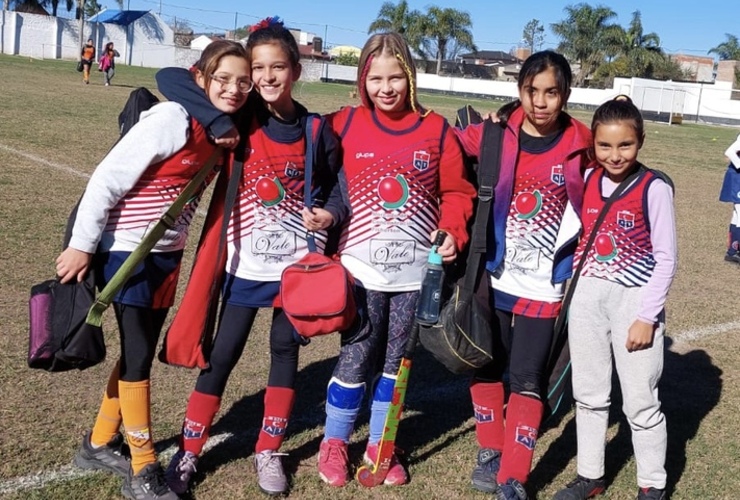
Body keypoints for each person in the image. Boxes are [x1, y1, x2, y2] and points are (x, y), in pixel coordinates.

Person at [153, 18, 347, 496]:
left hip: (294, 277)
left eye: (276, 66)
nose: (265, 77)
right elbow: (170, 79)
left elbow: (337, 189)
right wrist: (219, 120)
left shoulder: (316, 129)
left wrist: (329, 213)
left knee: (284, 357)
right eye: (257, 67)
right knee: (220, 358)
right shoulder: (240, 117)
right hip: (242, 270)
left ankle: (269, 450)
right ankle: (189, 452)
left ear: (296, 70)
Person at [55, 39, 252, 500]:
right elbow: (106, 179)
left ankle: (99, 442)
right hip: (124, 252)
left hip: (165, 256)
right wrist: (82, 246)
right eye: (223, 78)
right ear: (200, 77)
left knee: (134, 357)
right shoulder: (172, 120)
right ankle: (143, 467)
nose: (234, 88)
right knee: (140, 358)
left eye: (242, 81)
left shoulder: (223, 128)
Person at [315, 32, 475, 488]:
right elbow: (296, 141)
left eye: (395, 78)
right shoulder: (341, 124)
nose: (386, 88)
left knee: (395, 365)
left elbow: (456, 192)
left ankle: (380, 446)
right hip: (359, 271)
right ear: (361, 79)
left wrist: (453, 230)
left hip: (413, 277)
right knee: (356, 356)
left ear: (411, 77)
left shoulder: (436, 129)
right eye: (375, 78)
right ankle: (334, 442)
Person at [454, 50, 593, 500]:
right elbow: (445, 143)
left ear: (565, 95)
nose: (540, 102)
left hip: (544, 287)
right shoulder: (496, 135)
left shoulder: (583, 144)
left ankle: (514, 477)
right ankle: (489, 451)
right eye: (531, 91)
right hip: (492, 279)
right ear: (519, 92)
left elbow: (618, 169)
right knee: (487, 364)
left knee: (528, 378)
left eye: (551, 92)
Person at [552, 96, 677, 500]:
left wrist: (647, 316)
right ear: (594, 145)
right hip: (588, 299)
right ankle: (591, 474)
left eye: (625, 144)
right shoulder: (586, 179)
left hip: (634, 303)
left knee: (641, 401)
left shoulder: (653, 187)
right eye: (605, 146)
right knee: (588, 394)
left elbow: (666, 258)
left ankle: (652, 484)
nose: (615, 154)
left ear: (640, 141)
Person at [719, 133, 740, 263]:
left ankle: (732, 251)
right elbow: (730, 152)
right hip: (737, 177)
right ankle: (735, 252)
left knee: (737, 215)